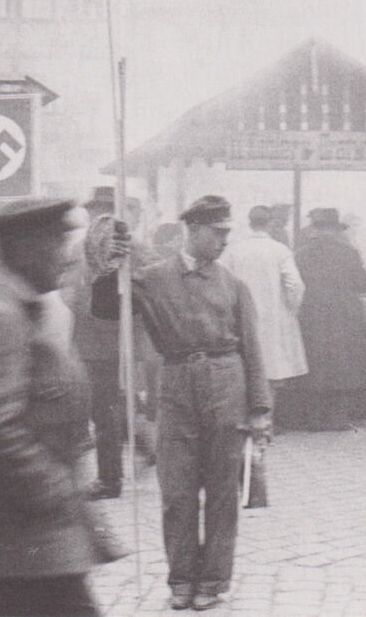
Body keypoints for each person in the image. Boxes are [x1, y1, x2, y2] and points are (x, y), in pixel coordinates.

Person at [92, 195, 271, 611]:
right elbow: (105, 309)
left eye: (228, 233)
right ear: (191, 230)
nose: (224, 241)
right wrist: (111, 265)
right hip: (175, 388)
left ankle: (213, 580)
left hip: (227, 386)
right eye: (217, 233)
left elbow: (253, 350)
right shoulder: (153, 278)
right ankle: (182, 579)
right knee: (177, 491)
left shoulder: (234, 285)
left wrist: (259, 410)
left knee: (223, 493)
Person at [0, 199, 103, 617]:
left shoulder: (21, 309)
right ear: (26, 247)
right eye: (59, 243)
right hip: (16, 539)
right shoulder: (1, 317)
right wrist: (52, 486)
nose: (68, 258)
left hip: (25, 541)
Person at [74, 187, 152, 500]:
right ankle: (147, 446)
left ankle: (110, 479)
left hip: (102, 341)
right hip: (113, 340)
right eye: (94, 210)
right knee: (116, 405)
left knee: (105, 411)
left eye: (101, 209)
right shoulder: (132, 246)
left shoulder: (107, 247)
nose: (96, 215)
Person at [221, 205, 308, 412]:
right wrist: (289, 310)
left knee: (244, 370)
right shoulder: (280, 250)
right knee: (271, 372)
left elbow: (221, 281)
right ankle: (267, 420)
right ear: (270, 223)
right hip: (273, 320)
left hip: (240, 317)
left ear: (250, 222)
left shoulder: (234, 249)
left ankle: (244, 419)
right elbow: (295, 285)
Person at [293, 208, 366, 430]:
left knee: (315, 364)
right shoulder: (349, 253)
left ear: (315, 229)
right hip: (344, 317)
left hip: (313, 316)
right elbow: (363, 284)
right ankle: (338, 419)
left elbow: (294, 287)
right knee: (342, 366)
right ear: (335, 229)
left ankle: (314, 420)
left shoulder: (301, 255)